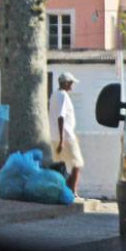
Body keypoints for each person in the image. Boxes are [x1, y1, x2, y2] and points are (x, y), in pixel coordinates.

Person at [49, 71, 83, 199]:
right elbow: (61, 117)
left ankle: (62, 192)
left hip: (55, 136)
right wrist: (62, 140)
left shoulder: (54, 95)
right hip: (65, 136)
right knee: (77, 163)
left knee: (61, 165)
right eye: (71, 82)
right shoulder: (63, 96)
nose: (72, 85)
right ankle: (72, 191)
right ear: (66, 83)